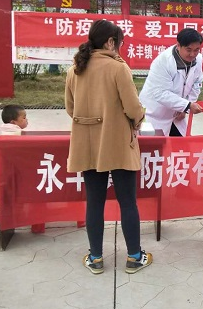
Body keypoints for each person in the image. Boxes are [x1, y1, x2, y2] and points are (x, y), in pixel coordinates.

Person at [65, 19, 152, 275]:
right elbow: (133, 108)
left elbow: (70, 109)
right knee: (127, 202)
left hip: (87, 145)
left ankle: (95, 258)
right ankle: (134, 257)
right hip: (117, 143)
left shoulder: (74, 69)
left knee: (94, 203)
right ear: (111, 42)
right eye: (120, 43)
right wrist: (138, 119)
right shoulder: (118, 68)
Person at [139, 28, 203, 136]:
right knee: (155, 145)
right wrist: (187, 105)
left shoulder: (198, 60)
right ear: (178, 45)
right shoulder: (163, 61)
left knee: (180, 144)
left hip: (177, 115)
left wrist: (185, 108)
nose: (193, 54)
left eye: (197, 50)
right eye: (188, 50)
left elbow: (197, 84)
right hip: (155, 114)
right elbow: (160, 93)